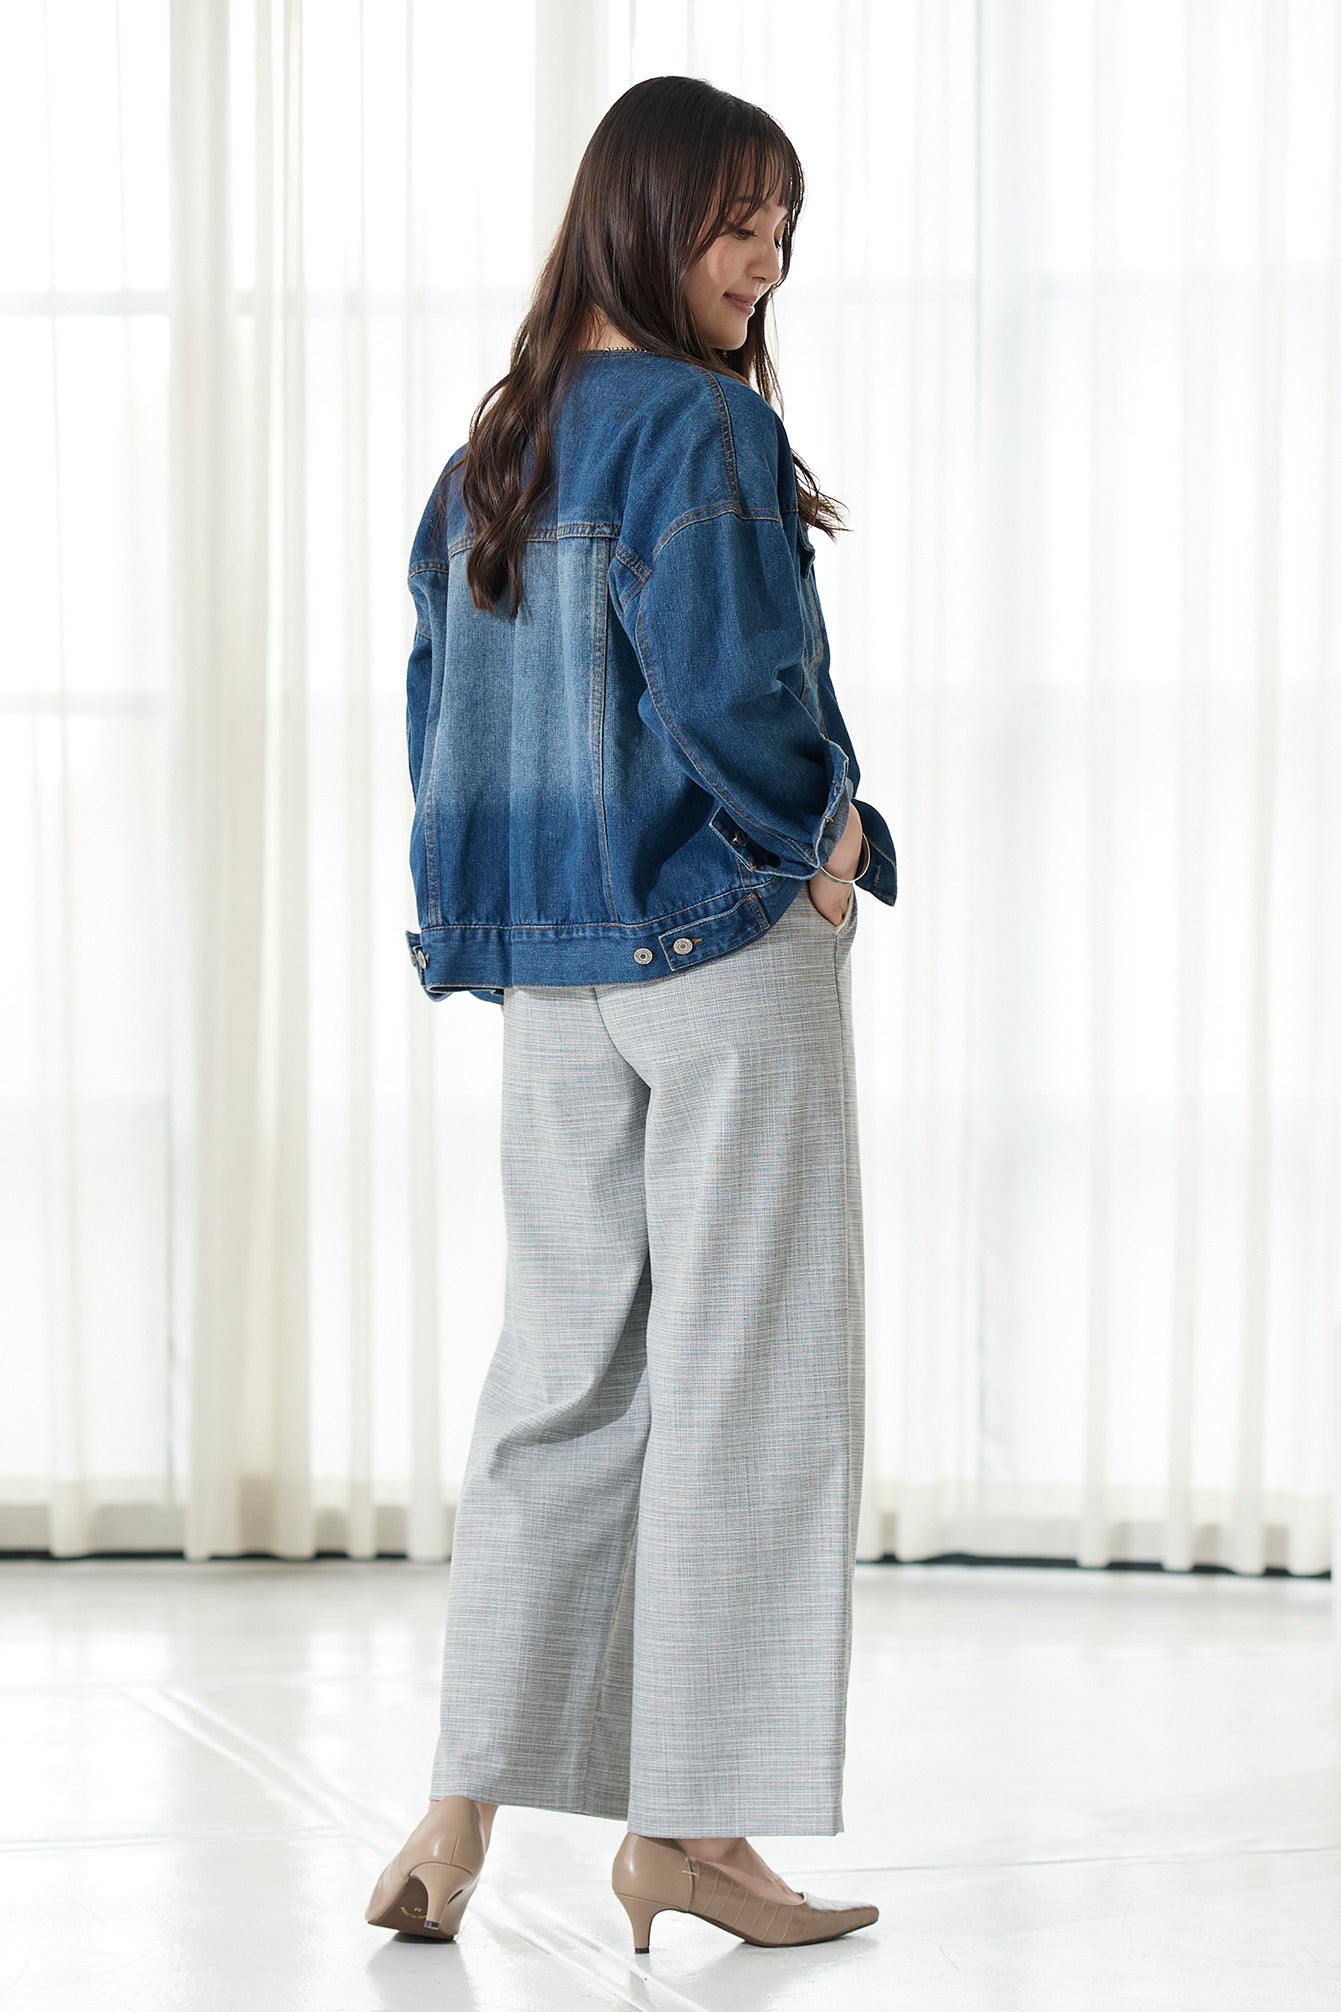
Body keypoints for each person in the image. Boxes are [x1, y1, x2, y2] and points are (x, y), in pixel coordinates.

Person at [366, 73, 897, 1956]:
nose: (763, 263)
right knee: (756, 1380)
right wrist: (829, 836)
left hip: (554, 965)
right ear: (641, 213)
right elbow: (736, 690)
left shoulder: (491, 454)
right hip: (722, 941)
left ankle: (453, 1819)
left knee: (560, 1378)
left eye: (782, 231)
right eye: (736, 222)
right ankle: (690, 1832)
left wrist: (488, 920)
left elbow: (436, 720)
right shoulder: (702, 428)